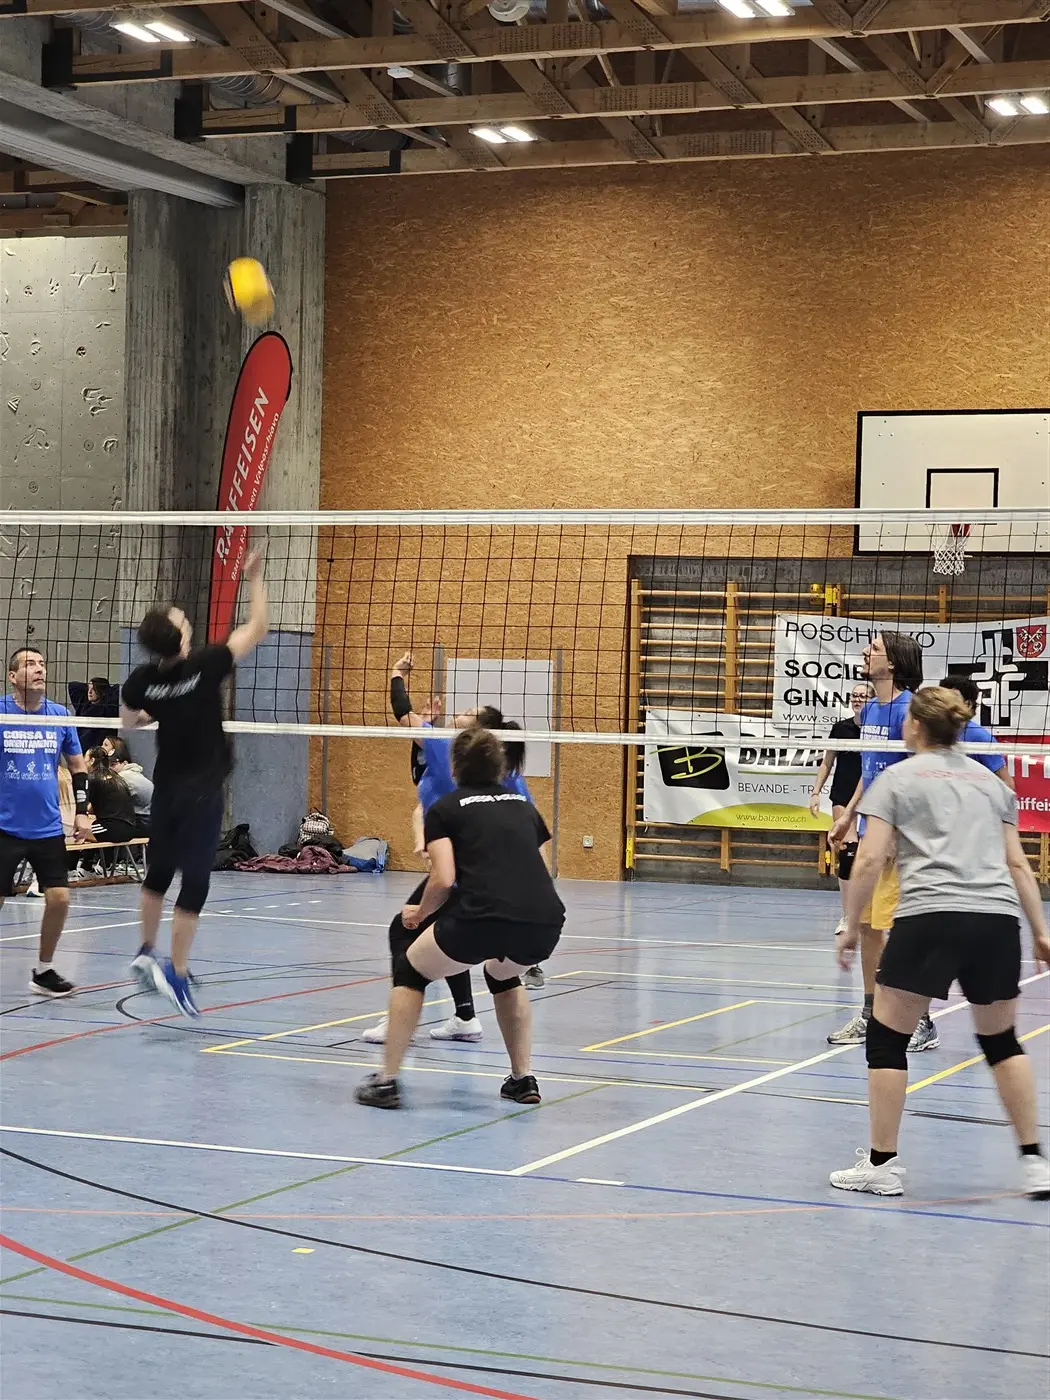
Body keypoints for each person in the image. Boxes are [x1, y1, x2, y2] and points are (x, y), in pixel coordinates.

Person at [830, 686, 1050, 1200]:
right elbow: (1018, 863)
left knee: (887, 1039)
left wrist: (849, 922)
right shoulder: (992, 784)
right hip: (995, 922)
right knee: (1001, 1042)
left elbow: (867, 860)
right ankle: (1036, 1162)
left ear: (914, 728)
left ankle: (881, 1165)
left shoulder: (895, 779)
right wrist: (1040, 931)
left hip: (929, 918)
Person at [356, 725, 565, 1110]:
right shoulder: (523, 806)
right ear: (501, 767)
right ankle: (522, 1080)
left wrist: (419, 913)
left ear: (454, 768)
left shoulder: (445, 808)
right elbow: (540, 868)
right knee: (503, 974)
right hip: (545, 919)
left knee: (411, 969)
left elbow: (444, 878)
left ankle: (386, 1081)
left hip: (484, 916)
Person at [119, 549, 268, 1017]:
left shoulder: (141, 680)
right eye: (181, 618)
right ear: (180, 638)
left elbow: (129, 722)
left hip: (166, 788)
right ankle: (177, 975)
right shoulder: (205, 665)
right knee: (197, 885)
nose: (186, 617)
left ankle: (147, 950)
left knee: (159, 874)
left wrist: (157, 708)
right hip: (203, 788)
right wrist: (255, 578)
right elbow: (257, 629)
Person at [368, 651, 497, 1045]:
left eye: (470, 712)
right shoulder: (469, 757)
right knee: (445, 936)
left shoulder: (449, 746)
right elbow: (421, 773)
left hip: (458, 868)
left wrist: (396, 674)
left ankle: (398, 1022)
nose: (463, 710)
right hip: (472, 865)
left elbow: (401, 713)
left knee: (402, 930)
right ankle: (465, 1018)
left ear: (478, 730)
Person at [827, 632, 938, 1051]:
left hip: (902, 837)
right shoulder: (871, 707)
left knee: (903, 933)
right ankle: (871, 1013)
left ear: (891, 663)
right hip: (873, 829)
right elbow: (869, 771)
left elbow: (919, 773)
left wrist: (898, 833)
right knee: (871, 929)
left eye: (873, 649)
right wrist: (850, 816)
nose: (864, 653)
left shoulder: (910, 709)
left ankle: (922, 1020)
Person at [0, 647, 94, 996]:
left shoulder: (58, 715)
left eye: (41, 664)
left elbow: (78, 767)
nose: (38, 669)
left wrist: (82, 811)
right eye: (29, 664)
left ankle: (43, 970)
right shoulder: (1, 712)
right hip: (4, 826)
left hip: (47, 827)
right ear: (13, 676)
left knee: (60, 899)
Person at [809, 683, 873, 943]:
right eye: (854, 696)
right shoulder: (841, 728)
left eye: (863, 696)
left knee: (871, 859)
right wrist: (815, 792)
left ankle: (868, 914)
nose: (857, 700)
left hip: (872, 796)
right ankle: (847, 916)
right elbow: (827, 762)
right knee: (847, 855)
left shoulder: (876, 730)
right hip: (843, 795)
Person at [940, 674, 1015, 791]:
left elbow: (1007, 784)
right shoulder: (934, 732)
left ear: (968, 704)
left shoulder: (980, 737)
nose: (945, 703)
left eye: (953, 698)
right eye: (943, 697)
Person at [84, 746, 138, 846]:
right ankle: (100, 861)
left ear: (92, 760)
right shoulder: (117, 777)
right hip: (130, 829)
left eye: (85, 759)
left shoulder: (92, 778)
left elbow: (83, 807)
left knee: (78, 833)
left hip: (112, 829)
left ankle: (79, 862)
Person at [103, 736, 153, 832]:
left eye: (113, 765)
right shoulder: (136, 775)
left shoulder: (124, 778)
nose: (110, 768)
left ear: (124, 763)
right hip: (150, 822)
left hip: (142, 823)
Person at [67, 675, 118, 752]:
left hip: (98, 751)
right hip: (81, 751)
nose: (89, 692)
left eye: (94, 689)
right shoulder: (83, 704)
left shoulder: (107, 707)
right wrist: (91, 686)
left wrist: (104, 690)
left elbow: (117, 688)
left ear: (101, 691)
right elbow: (72, 685)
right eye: (89, 689)